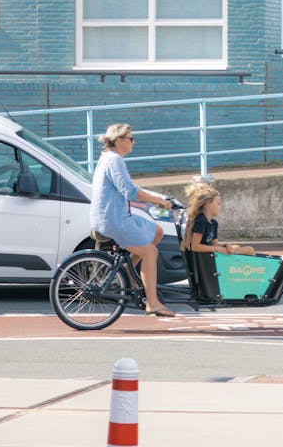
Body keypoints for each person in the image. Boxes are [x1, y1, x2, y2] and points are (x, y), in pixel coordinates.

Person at [89, 123, 176, 317]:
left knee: (157, 232)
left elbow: (127, 186)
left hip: (115, 215)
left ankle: (127, 271)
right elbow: (130, 191)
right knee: (150, 252)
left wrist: (152, 199)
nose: (133, 142)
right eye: (130, 138)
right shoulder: (114, 160)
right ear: (119, 140)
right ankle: (152, 303)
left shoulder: (109, 158)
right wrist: (158, 201)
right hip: (113, 219)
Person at [181, 182, 255, 256]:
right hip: (206, 259)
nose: (219, 207)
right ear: (208, 204)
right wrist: (217, 249)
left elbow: (215, 245)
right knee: (249, 250)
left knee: (236, 247)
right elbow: (195, 247)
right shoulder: (201, 221)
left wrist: (224, 246)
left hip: (211, 255)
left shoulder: (214, 223)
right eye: (218, 204)